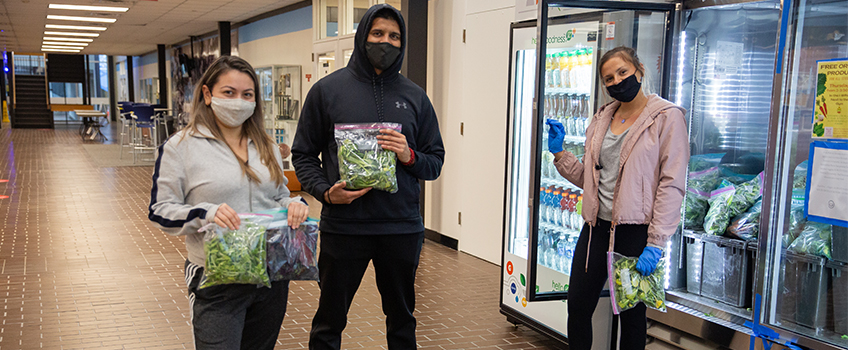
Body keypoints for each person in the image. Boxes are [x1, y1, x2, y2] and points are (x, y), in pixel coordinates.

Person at [292, 4, 445, 350]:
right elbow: (303, 155)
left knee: (402, 320)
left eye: (394, 36)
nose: (386, 42)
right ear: (363, 36)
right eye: (378, 34)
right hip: (345, 228)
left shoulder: (415, 96)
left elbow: (434, 162)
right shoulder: (327, 91)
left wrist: (408, 155)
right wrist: (325, 193)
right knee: (329, 320)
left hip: (401, 228)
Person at [148, 55, 309, 350]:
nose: (239, 102)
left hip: (270, 275)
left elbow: (278, 196)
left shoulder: (268, 146)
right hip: (216, 280)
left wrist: (294, 204)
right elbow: (160, 211)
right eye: (229, 93)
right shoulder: (179, 147)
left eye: (247, 95)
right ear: (208, 94)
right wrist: (206, 213)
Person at [546, 47, 688, 350]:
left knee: (632, 317)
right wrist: (560, 154)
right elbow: (593, 179)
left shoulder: (666, 118)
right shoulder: (602, 117)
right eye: (608, 78)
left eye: (622, 72)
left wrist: (657, 242)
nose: (617, 81)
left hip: (635, 232)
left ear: (640, 70)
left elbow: (671, 184)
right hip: (596, 228)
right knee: (578, 307)